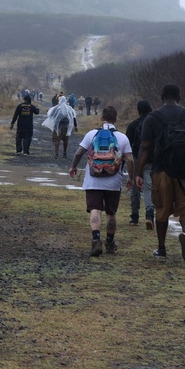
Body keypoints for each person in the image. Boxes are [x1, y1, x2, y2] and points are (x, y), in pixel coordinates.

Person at [134, 84, 185, 263]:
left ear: (162, 97)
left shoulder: (152, 118)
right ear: (178, 97)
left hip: (161, 170)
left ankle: (162, 248)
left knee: (162, 210)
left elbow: (144, 147)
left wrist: (138, 172)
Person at [69, 106, 134, 256]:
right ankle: (110, 243)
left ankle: (96, 241)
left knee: (95, 210)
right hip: (114, 181)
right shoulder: (123, 138)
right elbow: (130, 160)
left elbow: (79, 152)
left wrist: (73, 167)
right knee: (111, 212)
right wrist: (130, 177)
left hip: (93, 180)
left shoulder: (92, 134)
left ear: (101, 118)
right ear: (116, 120)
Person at [125, 100, 154, 228]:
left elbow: (126, 146)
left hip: (136, 159)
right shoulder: (155, 124)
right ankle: (149, 215)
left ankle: (135, 217)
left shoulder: (133, 125)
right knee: (149, 188)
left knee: (135, 189)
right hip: (151, 161)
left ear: (138, 110)